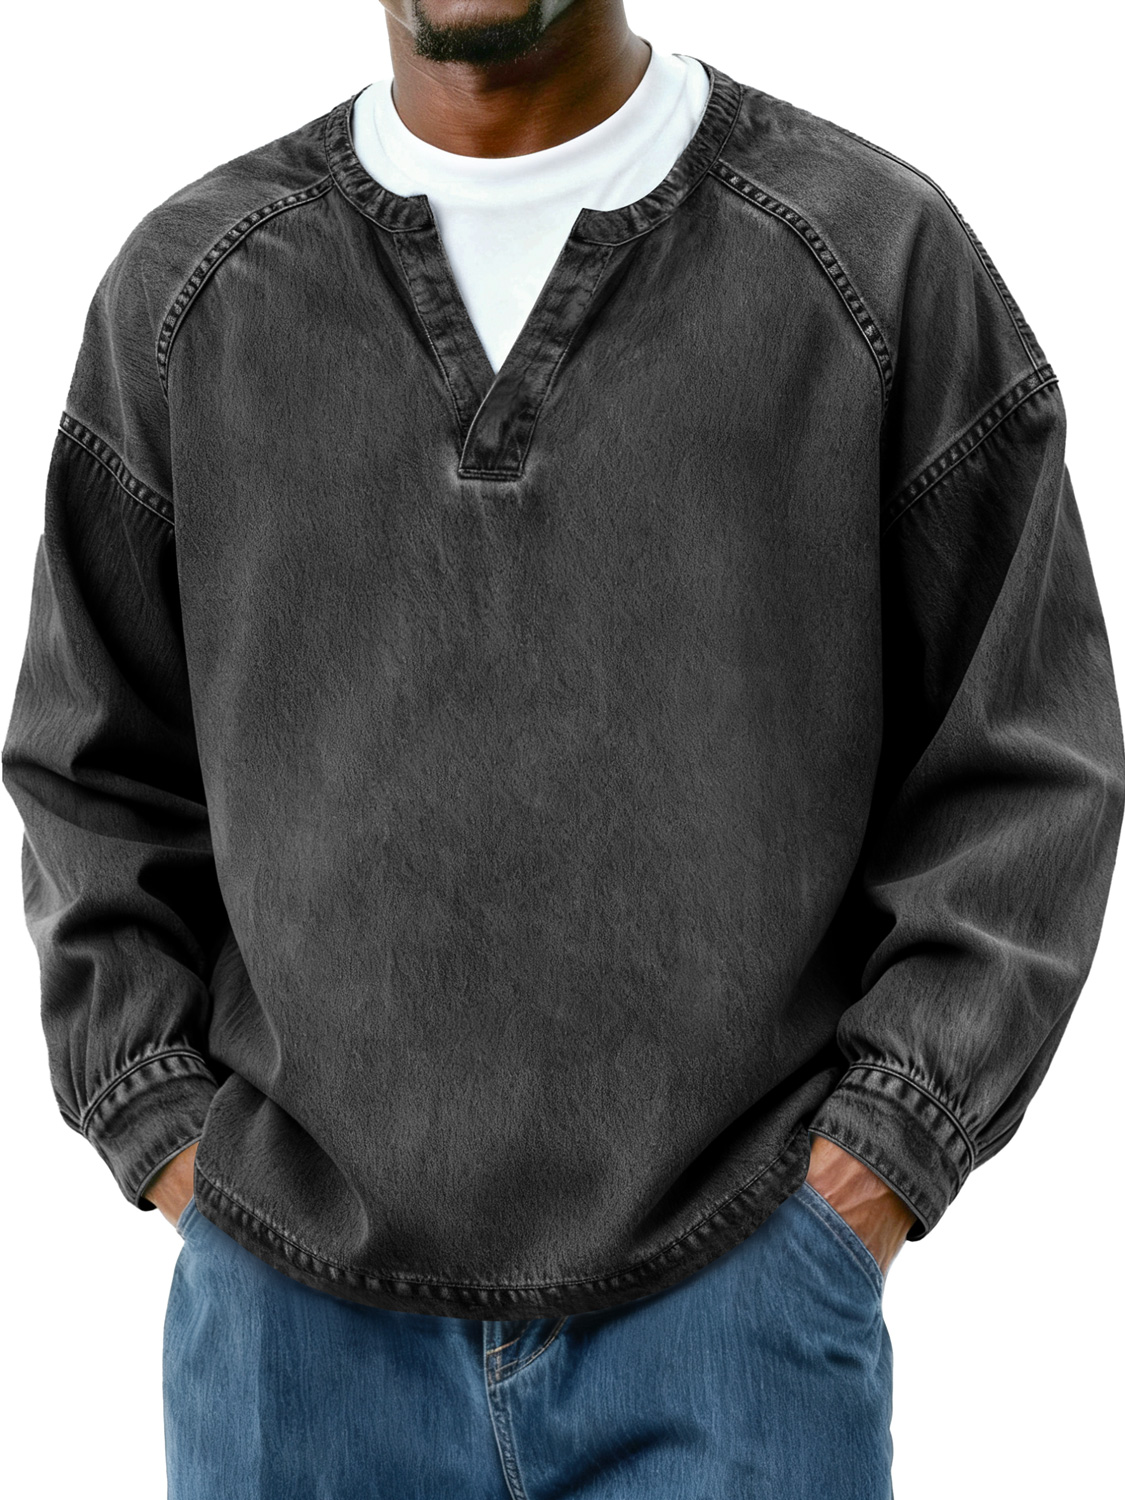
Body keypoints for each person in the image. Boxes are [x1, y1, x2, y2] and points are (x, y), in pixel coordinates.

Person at [4, 0, 1122, 1495]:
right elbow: (88, 772)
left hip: (735, 1324)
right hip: (293, 1341)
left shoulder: (870, 262)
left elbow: (1029, 755)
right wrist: (171, 1140)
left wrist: (875, 1163)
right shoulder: (189, 295)